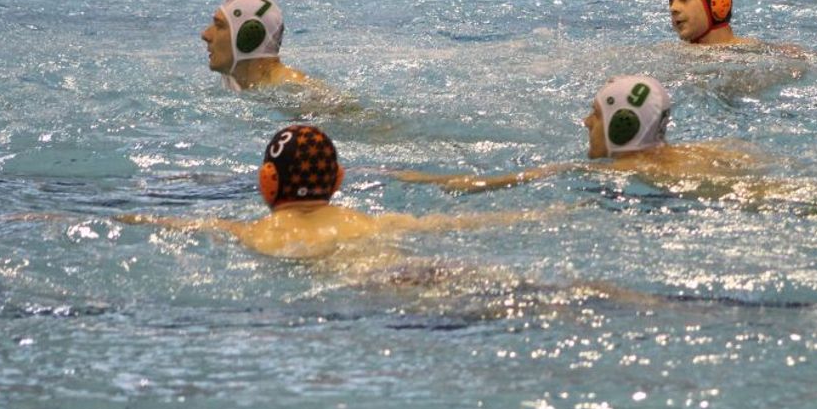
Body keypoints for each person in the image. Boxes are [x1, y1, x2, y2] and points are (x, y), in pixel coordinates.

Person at [118, 125, 545, 259]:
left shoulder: (252, 233)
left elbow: (168, 223)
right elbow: (463, 223)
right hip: (399, 264)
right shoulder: (371, 222)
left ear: (267, 181)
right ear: (338, 181)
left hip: (366, 288)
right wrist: (550, 212)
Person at [399, 76, 774, 200]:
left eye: (595, 114)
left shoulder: (612, 173)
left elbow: (481, 185)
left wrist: (405, 176)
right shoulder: (712, 151)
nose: (585, 122)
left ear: (622, 125)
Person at [201, 0, 309, 91]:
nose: (205, 35)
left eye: (219, 26)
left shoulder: (291, 86)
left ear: (249, 36)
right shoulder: (234, 80)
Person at [668, 0, 752, 45]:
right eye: (671, 2)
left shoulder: (751, 52)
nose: (673, 8)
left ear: (717, 3)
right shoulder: (670, 51)